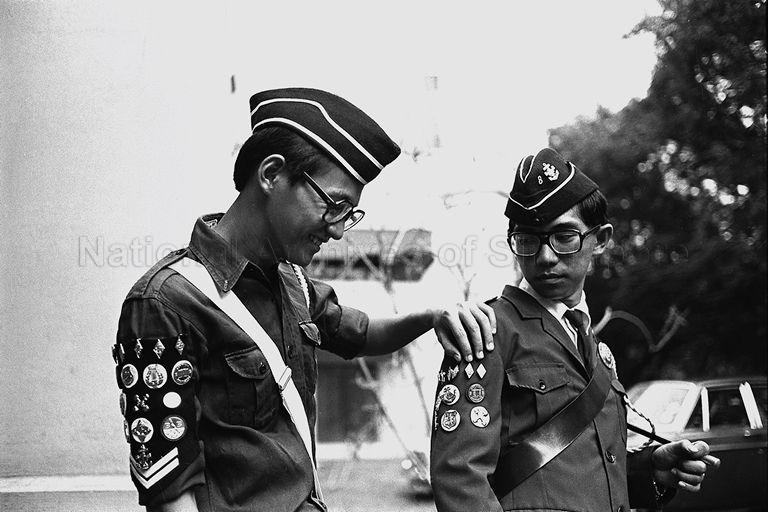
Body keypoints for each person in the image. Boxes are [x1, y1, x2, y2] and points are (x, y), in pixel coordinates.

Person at [112, 87, 496, 512]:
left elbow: (360, 334)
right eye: (334, 204)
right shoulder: (165, 303)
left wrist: (432, 317)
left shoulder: (292, 281)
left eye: (348, 214)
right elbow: (171, 493)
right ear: (272, 174)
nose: (338, 230)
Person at [429, 148, 717, 512]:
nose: (545, 257)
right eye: (528, 240)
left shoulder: (595, 349)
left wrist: (652, 471)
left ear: (601, 239)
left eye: (564, 236)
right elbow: (460, 479)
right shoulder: (487, 330)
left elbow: (585, 470)